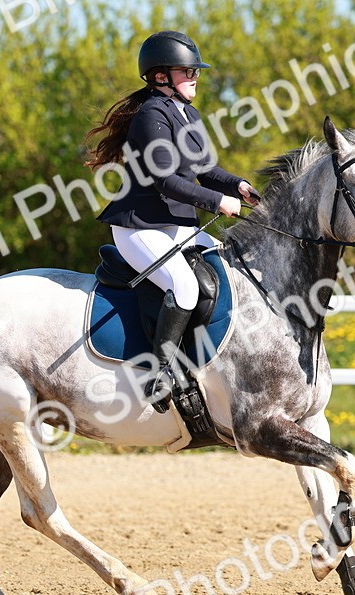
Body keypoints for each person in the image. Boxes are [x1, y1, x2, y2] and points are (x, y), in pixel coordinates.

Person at [85, 30, 258, 411]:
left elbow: (206, 169)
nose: (195, 76)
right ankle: (160, 373)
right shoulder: (150, 115)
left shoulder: (187, 112)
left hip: (177, 224)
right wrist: (217, 202)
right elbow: (165, 180)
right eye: (187, 71)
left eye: (195, 71)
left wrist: (239, 186)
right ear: (161, 75)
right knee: (183, 286)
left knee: (235, 271)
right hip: (140, 227)